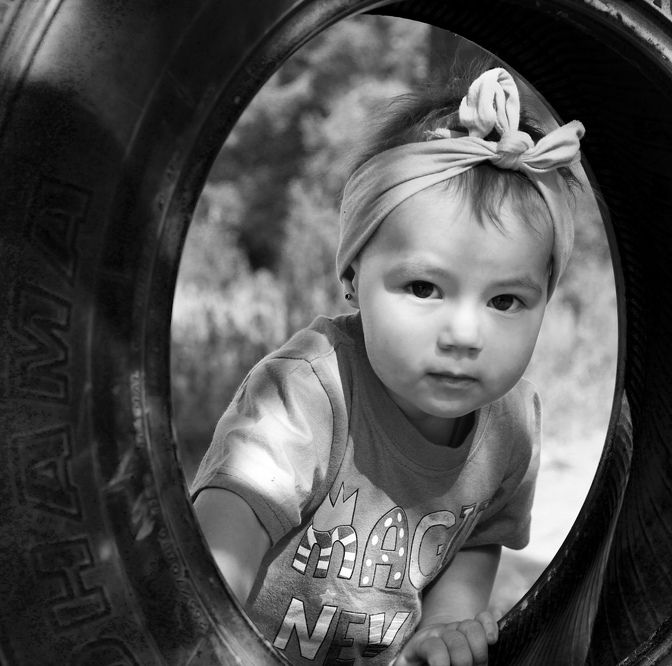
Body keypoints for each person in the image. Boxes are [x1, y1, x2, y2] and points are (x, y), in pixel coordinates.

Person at [191, 67, 584, 665]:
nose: (464, 334)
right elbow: (229, 526)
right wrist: (206, 634)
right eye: (424, 288)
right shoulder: (311, 387)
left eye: (505, 300)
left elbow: (479, 536)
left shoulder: (511, 424)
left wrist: (445, 625)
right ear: (353, 278)